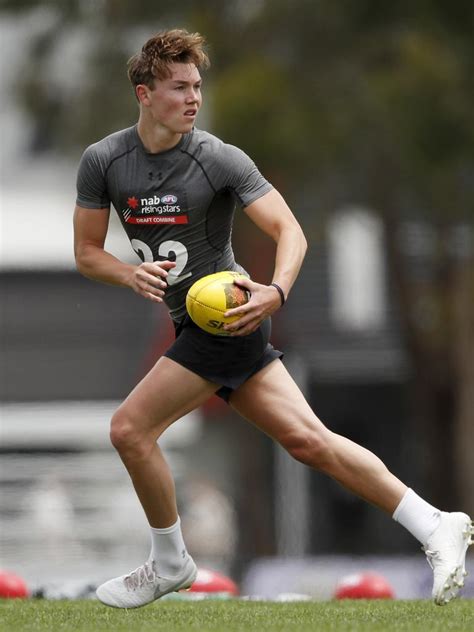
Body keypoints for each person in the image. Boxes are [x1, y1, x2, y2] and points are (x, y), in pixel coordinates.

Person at [74, 29, 473, 609]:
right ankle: (435, 523)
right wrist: (126, 273)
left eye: (198, 86)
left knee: (129, 431)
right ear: (144, 93)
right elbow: (87, 253)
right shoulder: (105, 161)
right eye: (179, 87)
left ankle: (170, 561)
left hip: (228, 320)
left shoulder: (217, 158)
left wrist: (276, 292)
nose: (193, 98)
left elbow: (291, 231)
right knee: (310, 441)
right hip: (192, 327)